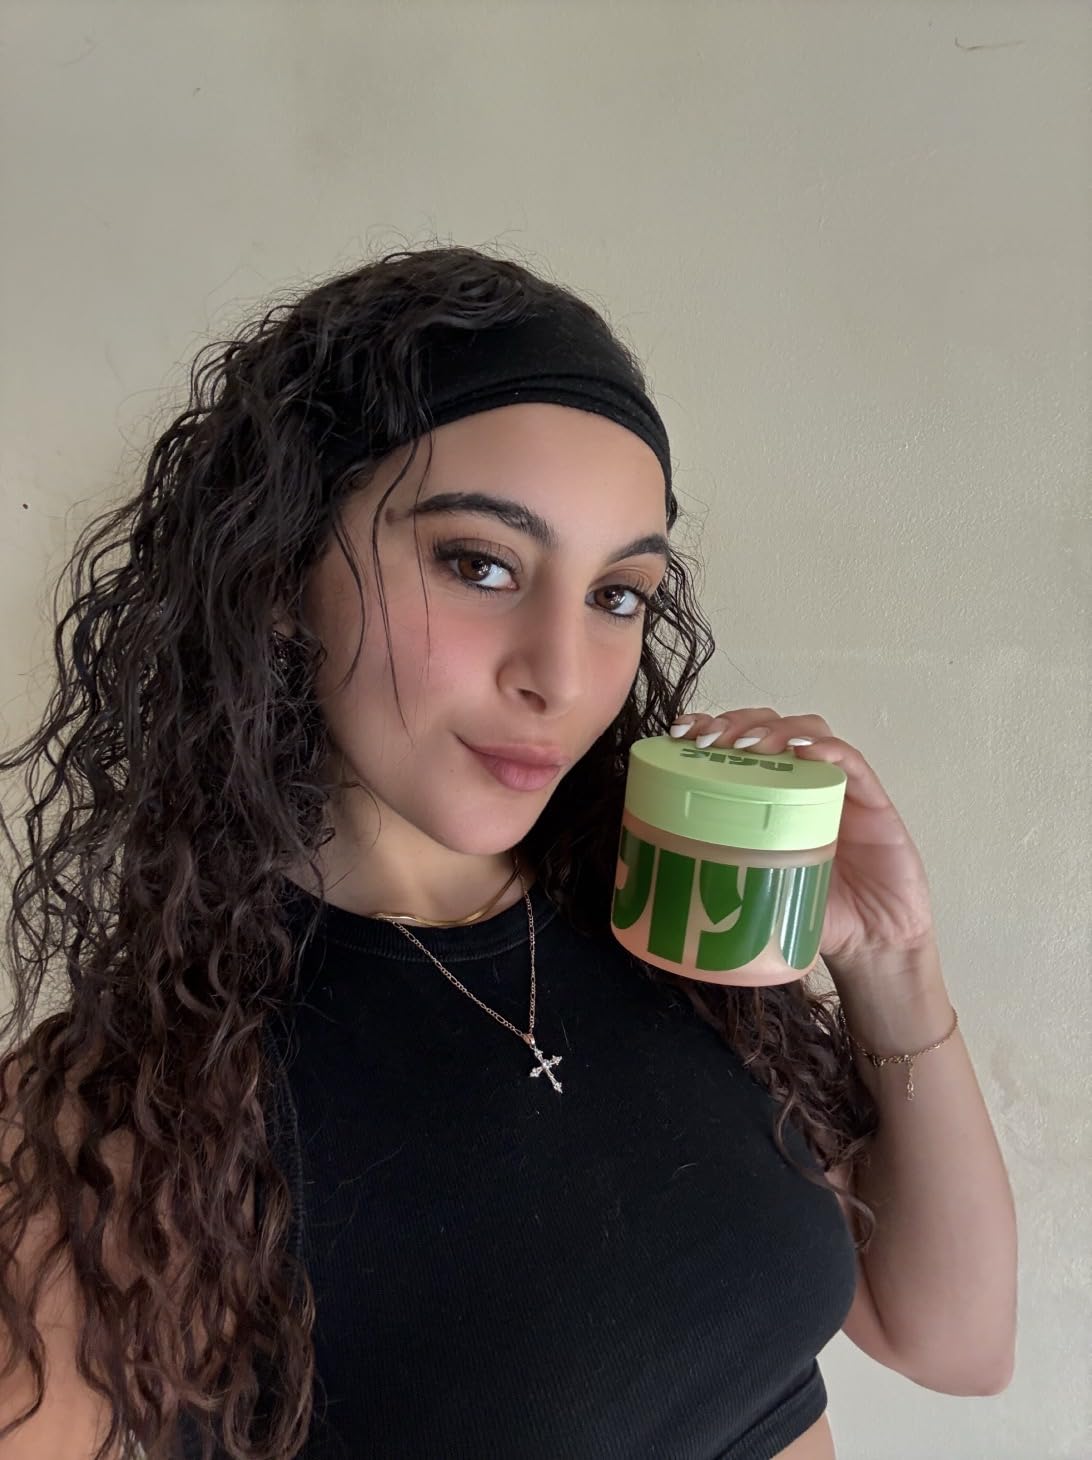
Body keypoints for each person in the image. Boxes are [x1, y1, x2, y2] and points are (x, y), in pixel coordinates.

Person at [0, 244, 1012, 1460]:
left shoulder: (664, 918)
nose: (562, 674)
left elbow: (955, 1341)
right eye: (478, 563)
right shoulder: (118, 1132)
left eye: (617, 593)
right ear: (278, 571)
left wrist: (894, 960)